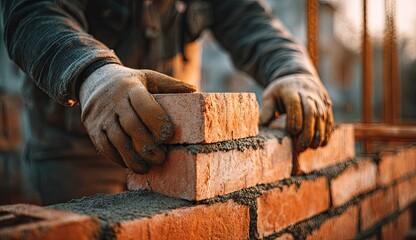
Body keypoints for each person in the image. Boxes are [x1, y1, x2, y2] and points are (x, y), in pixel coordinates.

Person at [1, 0, 333, 205]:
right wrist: (91, 72)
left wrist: (293, 70)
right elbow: (34, 13)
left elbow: (251, 20)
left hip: (174, 149)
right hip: (75, 148)